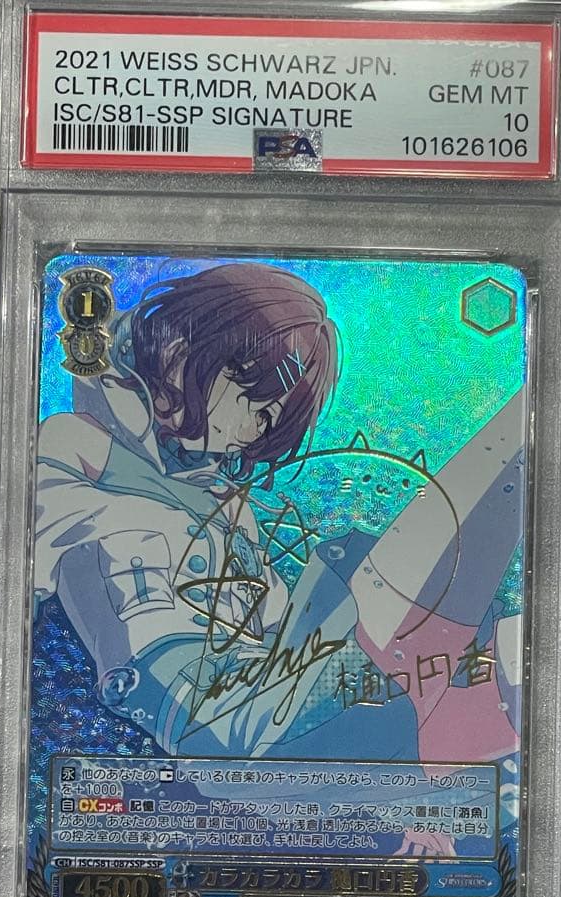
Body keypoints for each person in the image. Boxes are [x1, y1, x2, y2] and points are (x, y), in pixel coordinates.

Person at [34, 262, 523, 776]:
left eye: (271, 420)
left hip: (261, 696)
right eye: (257, 403)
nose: (256, 432)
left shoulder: (227, 509)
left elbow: (283, 636)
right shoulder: (82, 448)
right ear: (180, 355)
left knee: (431, 693)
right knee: (379, 631)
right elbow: (10, 578)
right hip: (200, 710)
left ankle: (495, 669)